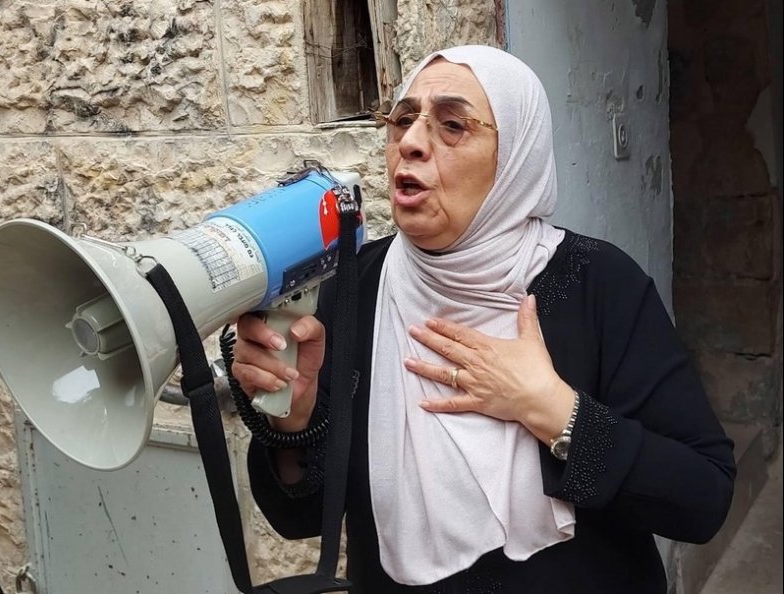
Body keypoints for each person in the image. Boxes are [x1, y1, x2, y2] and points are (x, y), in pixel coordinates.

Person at [231, 45, 736, 593]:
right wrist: (293, 421)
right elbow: (298, 519)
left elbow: (701, 499)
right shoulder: (355, 287)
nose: (412, 143)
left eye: (452, 125)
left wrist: (553, 411)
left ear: (515, 156)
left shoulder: (596, 282)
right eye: (402, 120)